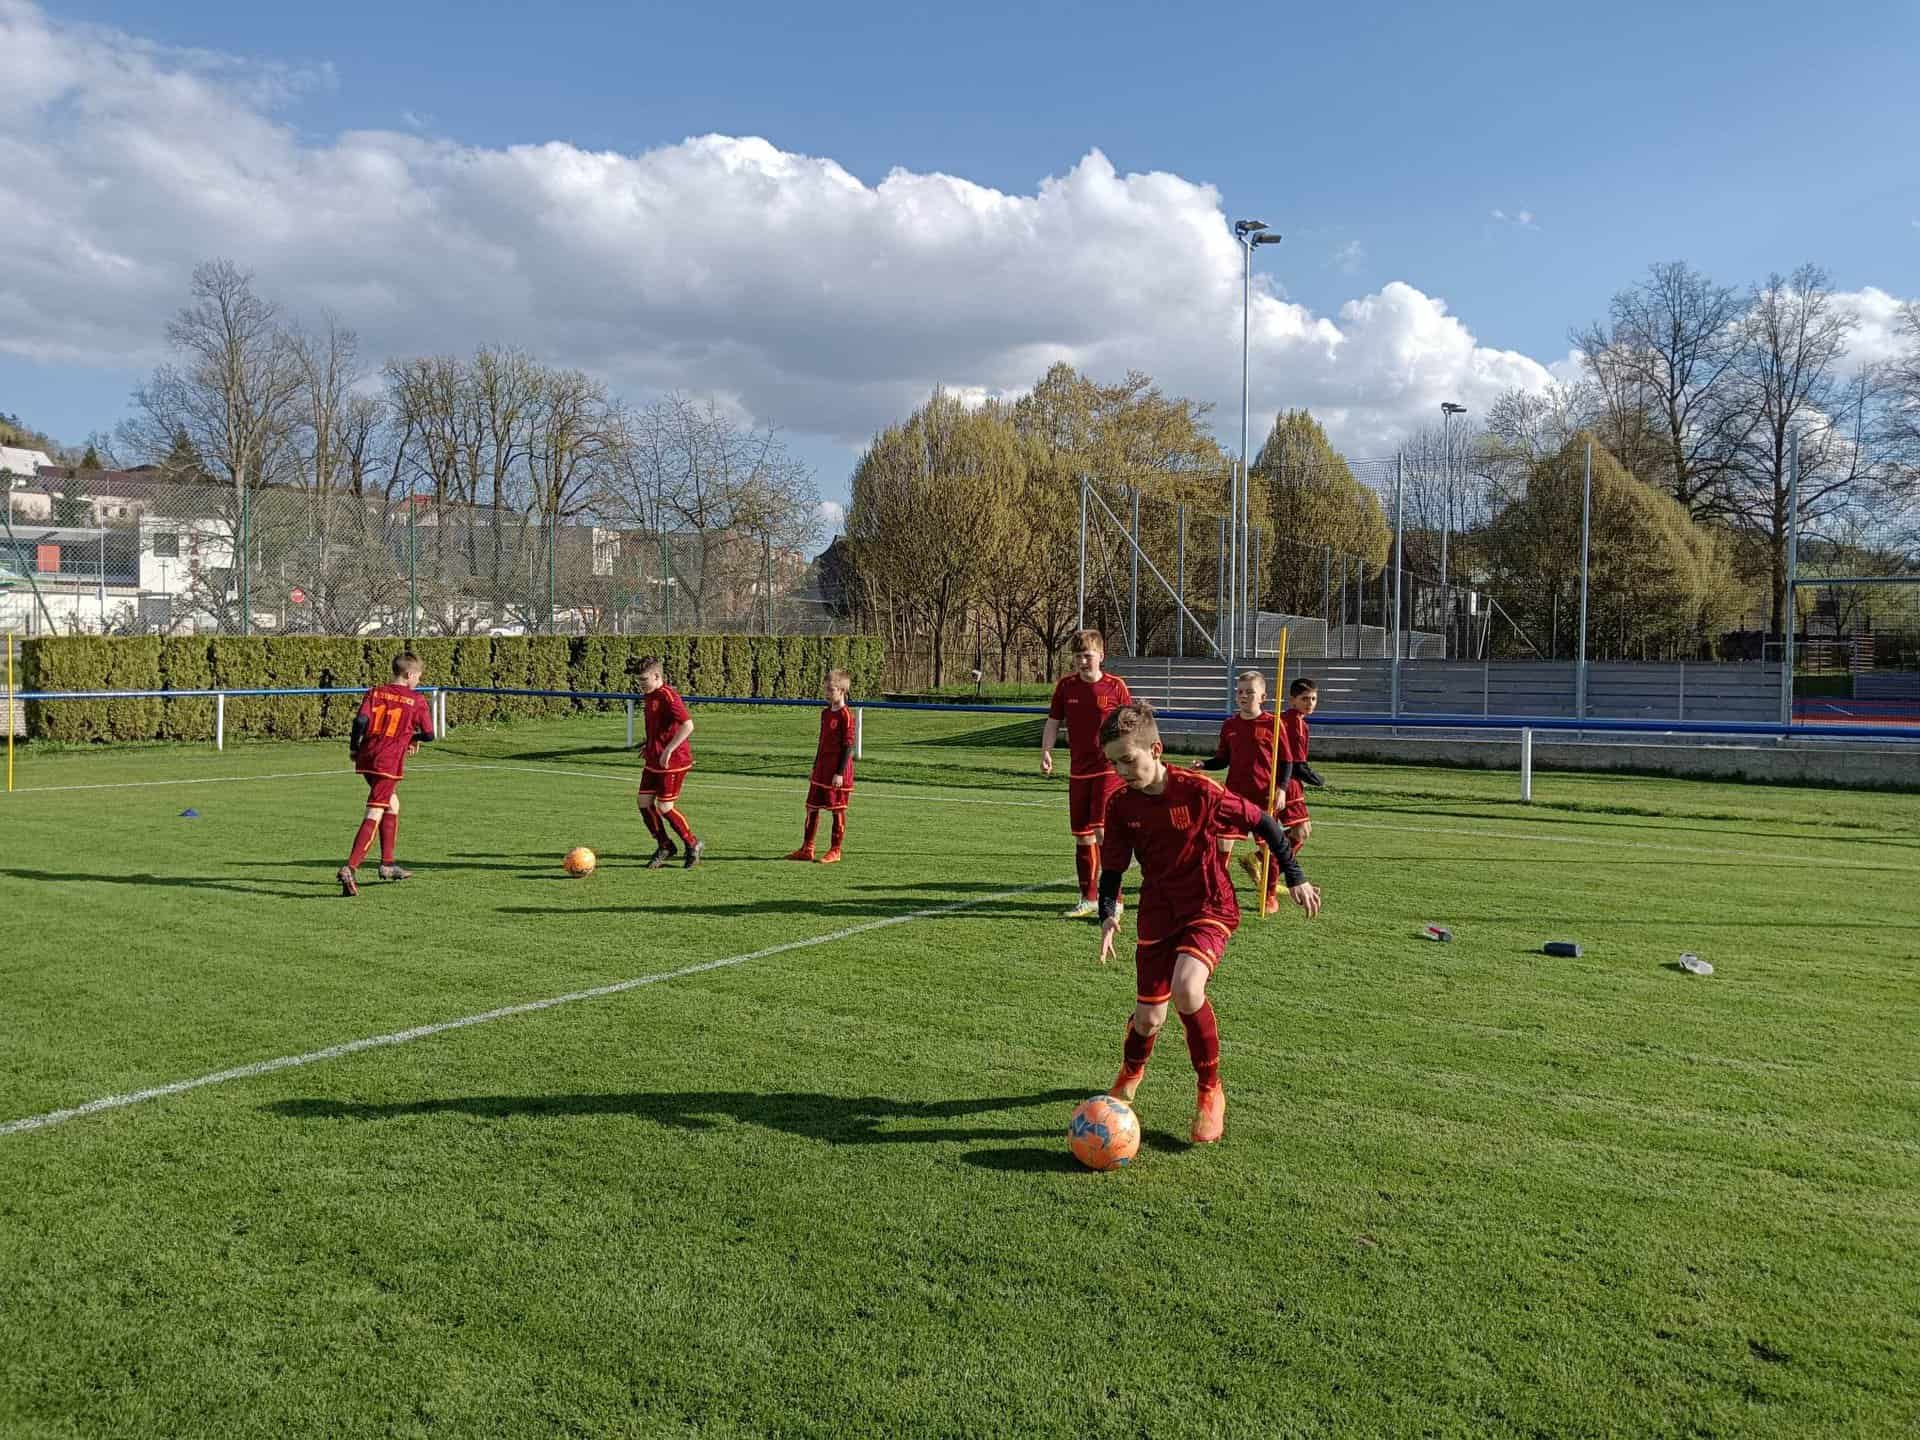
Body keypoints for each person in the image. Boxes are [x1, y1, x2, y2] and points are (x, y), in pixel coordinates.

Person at [1095, 702, 1321, 1143]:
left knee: (1187, 988)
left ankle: (1209, 1091)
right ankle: (1131, 1072)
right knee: (1149, 1019)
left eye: (1127, 760)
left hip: (1209, 906)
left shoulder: (1199, 791)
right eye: (1113, 763)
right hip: (1158, 912)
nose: (1121, 771)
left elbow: (1265, 823)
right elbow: (1114, 869)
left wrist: (1295, 877)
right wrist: (1108, 913)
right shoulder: (1120, 804)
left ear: (1155, 749)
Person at [1040, 629, 1131, 920]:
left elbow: (1130, 724)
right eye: (1078, 656)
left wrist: (1130, 757)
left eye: (1087, 656)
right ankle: (1088, 898)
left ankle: (1114, 899)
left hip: (1108, 769)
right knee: (1082, 836)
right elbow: (1053, 721)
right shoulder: (1066, 686)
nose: (1082, 661)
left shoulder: (1115, 686)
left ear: (1101, 656)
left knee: (1102, 832)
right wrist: (1046, 751)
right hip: (1078, 771)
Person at [337, 651, 435, 897]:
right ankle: (351, 867)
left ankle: (387, 865)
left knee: (392, 804)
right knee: (375, 810)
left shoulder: (375, 692)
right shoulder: (416, 700)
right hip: (388, 761)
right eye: (418, 676)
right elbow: (429, 734)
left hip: (367, 755)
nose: (419, 681)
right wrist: (412, 737)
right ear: (409, 674)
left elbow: (360, 722)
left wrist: (354, 747)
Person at [1197, 669, 1290, 915]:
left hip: (1264, 797)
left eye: (1249, 692)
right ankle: (1215, 893)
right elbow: (1222, 759)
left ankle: (1269, 894)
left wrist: (1281, 789)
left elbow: (1287, 762)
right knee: (1221, 843)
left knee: (1269, 847)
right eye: (1239, 692)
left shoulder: (1274, 724)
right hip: (1233, 797)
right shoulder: (1230, 725)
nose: (1243, 696)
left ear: (1263, 697)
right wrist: (1204, 764)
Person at [636, 656, 702, 869]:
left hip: (673, 762)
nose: (641, 684)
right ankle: (665, 845)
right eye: (639, 680)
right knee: (644, 803)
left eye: (644, 679)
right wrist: (649, 743)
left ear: (657, 676)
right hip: (653, 759)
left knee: (665, 806)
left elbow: (688, 725)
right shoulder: (649, 695)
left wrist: (668, 750)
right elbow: (660, 726)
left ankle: (692, 843)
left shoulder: (668, 696)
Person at [786, 669, 855, 864]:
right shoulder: (825, 714)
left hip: (837, 772)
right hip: (821, 770)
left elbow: (848, 746)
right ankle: (807, 848)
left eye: (831, 690)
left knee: (837, 809)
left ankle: (835, 850)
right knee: (811, 807)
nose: (827, 693)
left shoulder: (846, 716)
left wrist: (839, 773)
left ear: (842, 691)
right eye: (826, 689)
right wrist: (815, 766)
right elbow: (822, 742)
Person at [1279, 677, 1324, 853]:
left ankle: (1262, 860)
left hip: (1278, 778)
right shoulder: (1296, 723)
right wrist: (1317, 779)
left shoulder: (1285, 718)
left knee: (1302, 830)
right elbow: (1298, 765)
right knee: (1301, 832)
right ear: (1292, 700)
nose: (1310, 703)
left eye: (1313, 698)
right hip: (1287, 782)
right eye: (1304, 698)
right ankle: (1261, 861)